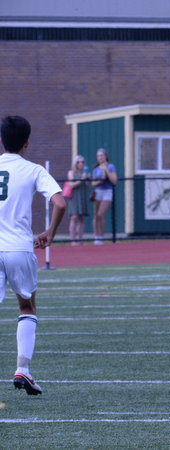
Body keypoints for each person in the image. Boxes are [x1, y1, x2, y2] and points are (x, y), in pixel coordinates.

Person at [0, 115, 66, 395]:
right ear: (27, 142)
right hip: (19, 248)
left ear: (1, 141)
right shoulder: (33, 170)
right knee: (26, 307)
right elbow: (60, 202)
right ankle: (23, 370)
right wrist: (50, 231)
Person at [91, 148, 117, 245]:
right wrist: (100, 181)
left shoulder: (110, 166)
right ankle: (96, 236)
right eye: (98, 156)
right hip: (98, 191)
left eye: (102, 155)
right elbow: (93, 183)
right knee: (96, 215)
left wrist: (106, 170)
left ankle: (101, 236)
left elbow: (114, 181)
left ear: (106, 156)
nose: (100, 157)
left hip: (107, 191)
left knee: (100, 214)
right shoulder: (96, 168)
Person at [66, 155, 90, 245]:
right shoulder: (71, 172)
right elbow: (72, 185)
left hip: (82, 195)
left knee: (82, 218)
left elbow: (87, 186)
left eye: (82, 162)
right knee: (74, 217)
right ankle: (73, 240)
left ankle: (80, 239)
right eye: (78, 162)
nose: (81, 164)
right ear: (75, 163)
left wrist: (87, 179)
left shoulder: (84, 173)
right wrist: (82, 179)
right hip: (74, 197)